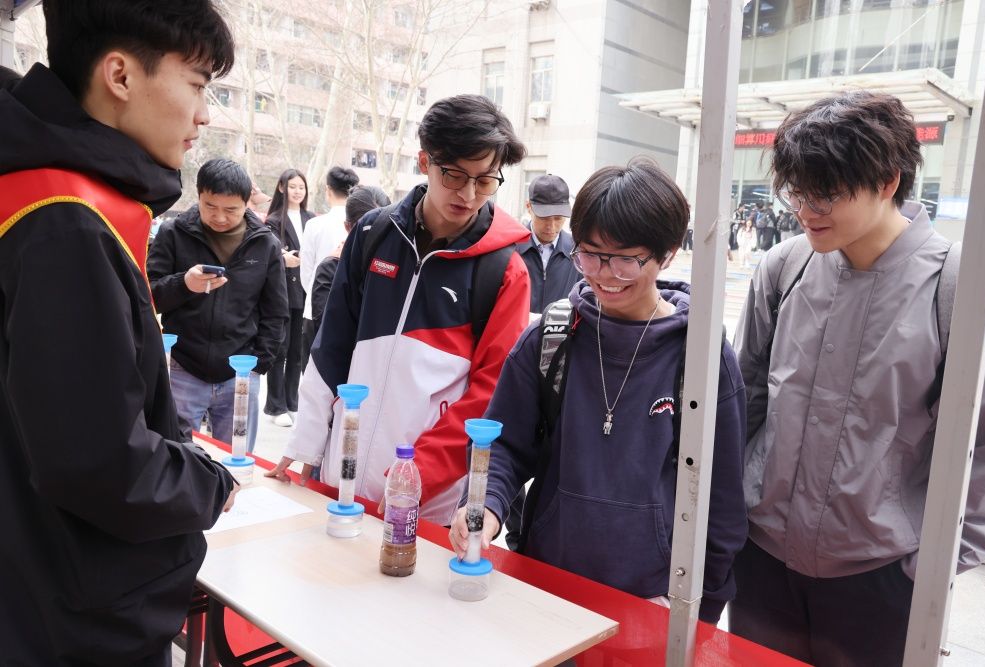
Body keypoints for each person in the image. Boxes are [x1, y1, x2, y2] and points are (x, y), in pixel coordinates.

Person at [0, 2, 239, 664]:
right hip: (67, 614)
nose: (203, 114)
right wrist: (210, 483)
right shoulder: (67, 221)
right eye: (196, 84)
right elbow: (97, 461)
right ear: (120, 75)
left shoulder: (33, 188)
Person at [732, 91, 985, 666]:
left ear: (887, 181)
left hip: (880, 572)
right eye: (797, 191)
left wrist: (945, 556)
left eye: (826, 193)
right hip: (763, 556)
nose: (806, 210)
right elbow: (745, 398)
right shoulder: (785, 267)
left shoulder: (957, 286)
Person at [448, 157, 748, 622]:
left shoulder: (702, 358)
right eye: (589, 254)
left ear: (668, 253)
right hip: (546, 588)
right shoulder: (550, 338)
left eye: (626, 259)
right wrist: (487, 504)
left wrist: (697, 609)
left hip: (653, 604)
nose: (605, 275)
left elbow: (722, 499)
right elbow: (503, 445)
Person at [266, 94, 530, 525]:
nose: (468, 194)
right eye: (454, 175)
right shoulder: (373, 232)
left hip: (427, 496)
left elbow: (492, 391)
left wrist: (420, 473)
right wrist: (307, 441)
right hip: (343, 468)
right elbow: (332, 343)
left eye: (485, 181)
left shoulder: (504, 270)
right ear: (425, 161)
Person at [148, 158, 288, 452]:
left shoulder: (265, 244)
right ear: (198, 195)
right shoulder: (173, 234)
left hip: (241, 373)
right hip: (182, 368)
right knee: (175, 456)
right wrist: (184, 284)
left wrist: (258, 364)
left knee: (235, 460)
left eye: (231, 210)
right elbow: (148, 296)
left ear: (247, 203)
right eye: (210, 206)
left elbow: (276, 312)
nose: (220, 217)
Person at [264, 168, 315, 427]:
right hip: (282, 289)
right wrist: (285, 258)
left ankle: (291, 402)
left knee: (297, 351)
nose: (297, 191)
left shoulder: (311, 219)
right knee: (280, 349)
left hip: (305, 291)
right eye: (293, 186)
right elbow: (269, 251)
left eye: (301, 187)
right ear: (282, 188)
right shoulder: (273, 220)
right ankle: (276, 406)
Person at [310, 185, 391, 334]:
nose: (374, 238)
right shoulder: (331, 268)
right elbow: (326, 329)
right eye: (367, 230)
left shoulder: (396, 265)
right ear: (348, 227)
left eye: (382, 228)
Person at [300, 165, 360, 361]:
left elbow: (306, 274)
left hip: (314, 309)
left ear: (328, 189)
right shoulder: (363, 221)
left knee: (312, 370)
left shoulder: (314, 224)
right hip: (350, 313)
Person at [517, 173, 582, 317]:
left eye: (558, 218)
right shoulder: (510, 250)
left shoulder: (579, 253)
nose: (551, 226)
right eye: (544, 217)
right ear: (528, 207)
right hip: (518, 329)